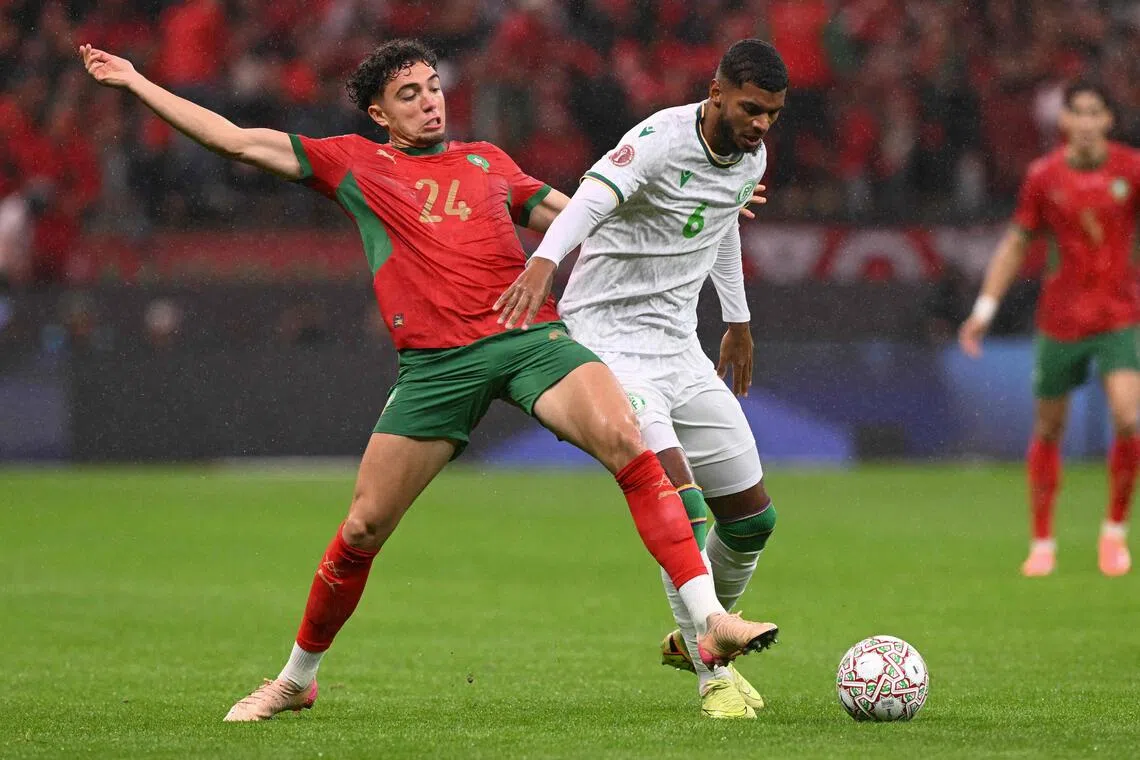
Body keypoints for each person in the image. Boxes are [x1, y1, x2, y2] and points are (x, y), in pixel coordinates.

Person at [79, 38, 780, 722]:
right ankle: (297, 678)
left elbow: (584, 219)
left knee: (630, 444)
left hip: (530, 341)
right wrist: (139, 83)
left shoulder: (487, 162)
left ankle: (709, 623)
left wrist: (694, 213)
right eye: (409, 95)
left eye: (434, 88)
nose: (429, 104)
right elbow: (234, 139)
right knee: (363, 527)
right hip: (438, 366)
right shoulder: (353, 164)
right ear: (380, 113)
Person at [494, 40, 785, 719]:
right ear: (716, 94)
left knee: (752, 520)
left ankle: (697, 632)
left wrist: (737, 320)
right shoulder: (658, 138)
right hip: (606, 344)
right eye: (750, 109)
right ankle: (712, 672)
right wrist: (543, 260)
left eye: (772, 114)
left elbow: (720, 227)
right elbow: (592, 199)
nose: (761, 125)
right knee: (679, 500)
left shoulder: (752, 157)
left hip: (678, 346)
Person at [959, 81, 1140, 578]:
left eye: (1094, 112)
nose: (1084, 122)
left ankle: (1114, 533)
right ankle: (1042, 542)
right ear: (1064, 122)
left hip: (1119, 316)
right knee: (1049, 429)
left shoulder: (1132, 169)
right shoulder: (1044, 176)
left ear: (1107, 120)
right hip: (1061, 320)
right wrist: (985, 307)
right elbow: (1017, 244)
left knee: (1128, 418)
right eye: (1075, 113)